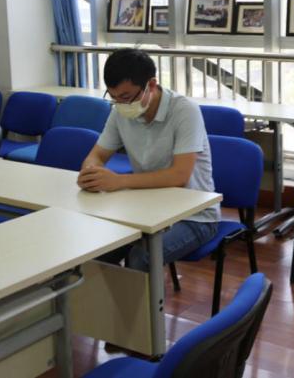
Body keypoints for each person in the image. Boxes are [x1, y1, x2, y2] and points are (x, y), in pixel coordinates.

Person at [77, 48, 219, 270]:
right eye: (113, 97)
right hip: (145, 209)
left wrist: (118, 181)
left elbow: (179, 176)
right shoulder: (120, 111)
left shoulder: (184, 110)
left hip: (194, 216)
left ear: (151, 85)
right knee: (94, 249)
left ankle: (146, 295)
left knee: (141, 258)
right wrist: (90, 172)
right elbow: (97, 155)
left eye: (125, 97)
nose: (120, 104)